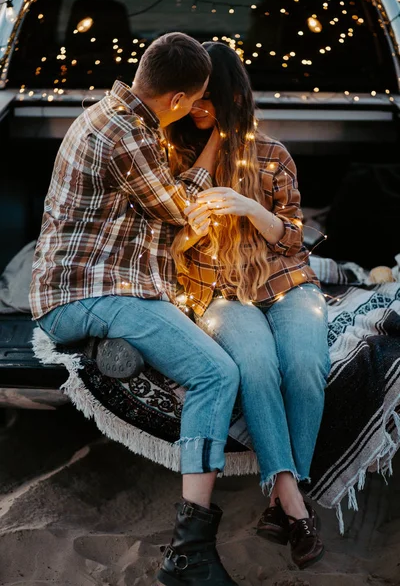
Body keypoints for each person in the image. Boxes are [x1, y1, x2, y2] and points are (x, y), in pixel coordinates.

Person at [29, 33, 242, 586]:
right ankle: (188, 553)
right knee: (216, 373)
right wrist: (217, 144)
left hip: (94, 284)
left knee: (181, 344)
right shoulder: (129, 136)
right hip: (89, 294)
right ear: (177, 100)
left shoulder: (112, 113)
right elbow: (180, 210)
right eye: (192, 103)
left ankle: (120, 347)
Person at [168, 41, 331, 571]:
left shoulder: (272, 153)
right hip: (219, 292)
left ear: (231, 96)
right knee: (256, 367)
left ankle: (282, 503)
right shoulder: (174, 155)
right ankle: (291, 501)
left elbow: (293, 239)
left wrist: (250, 208)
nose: (195, 106)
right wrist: (192, 227)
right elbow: (166, 245)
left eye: (206, 97)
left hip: (288, 283)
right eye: (191, 96)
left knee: (305, 365)